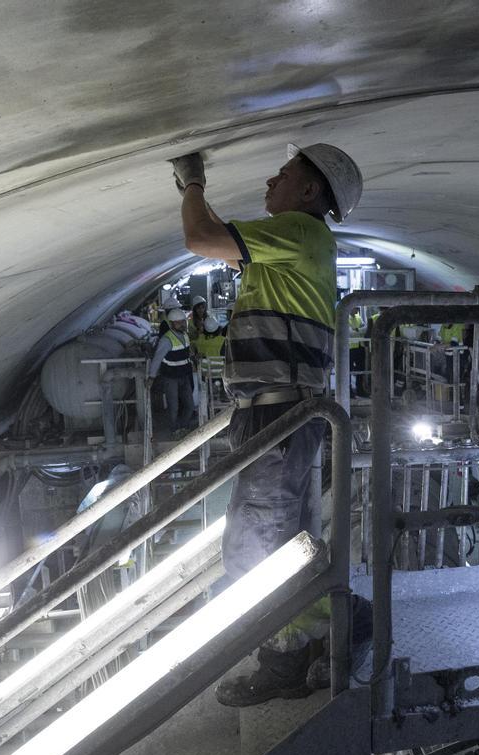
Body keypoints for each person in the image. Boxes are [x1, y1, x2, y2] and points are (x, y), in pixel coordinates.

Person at [172, 144, 368, 706]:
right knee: (292, 540)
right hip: (286, 412)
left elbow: (201, 239)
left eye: (283, 175)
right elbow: (230, 255)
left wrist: (192, 184)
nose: (270, 180)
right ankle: (335, 629)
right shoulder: (297, 245)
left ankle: (284, 663)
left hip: (279, 415)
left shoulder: (301, 233)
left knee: (257, 543)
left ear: (309, 193)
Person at [147, 308, 196, 435]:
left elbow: (187, 352)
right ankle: (174, 430)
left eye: (183, 322)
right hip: (171, 378)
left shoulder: (185, 335)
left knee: (190, 405)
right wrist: (151, 378)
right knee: (173, 407)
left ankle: (182, 427)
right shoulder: (166, 340)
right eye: (179, 322)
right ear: (172, 324)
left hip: (184, 376)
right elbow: (157, 359)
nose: (183, 324)